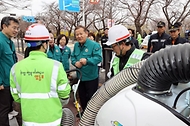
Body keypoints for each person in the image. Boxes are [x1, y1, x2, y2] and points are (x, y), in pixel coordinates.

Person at [10, 23, 71, 125]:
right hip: (52, 121)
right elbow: (64, 94)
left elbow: (16, 96)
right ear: (44, 44)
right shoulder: (56, 66)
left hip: (29, 121)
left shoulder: (15, 68)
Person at [71, 25, 102, 117]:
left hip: (91, 77)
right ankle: (84, 112)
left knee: (91, 97)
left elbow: (98, 58)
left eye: (81, 34)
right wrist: (75, 63)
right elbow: (73, 57)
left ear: (86, 34)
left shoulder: (94, 45)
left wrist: (87, 61)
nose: (79, 36)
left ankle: (91, 115)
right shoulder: (76, 45)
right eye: (77, 35)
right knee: (82, 97)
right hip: (80, 77)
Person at [0, 16, 19, 126]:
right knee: (3, 110)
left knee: (8, 109)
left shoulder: (9, 42)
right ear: (4, 26)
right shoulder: (0, 41)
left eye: (17, 28)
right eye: (14, 27)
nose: (16, 30)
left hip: (10, 81)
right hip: (3, 84)